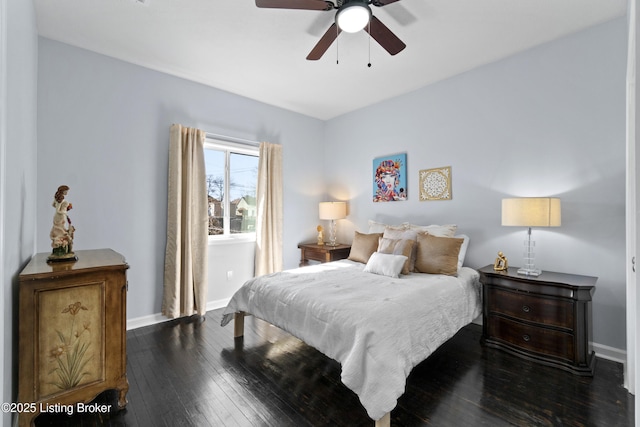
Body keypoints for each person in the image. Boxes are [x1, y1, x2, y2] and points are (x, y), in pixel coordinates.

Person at [49, 185, 75, 256]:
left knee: (60, 230)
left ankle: (62, 244)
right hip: (60, 217)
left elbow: (53, 205)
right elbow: (58, 210)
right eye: (66, 191)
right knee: (61, 231)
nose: (67, 192)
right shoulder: (61, 199)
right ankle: (60, 244)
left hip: (58, 216)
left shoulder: (57, 198)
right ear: (63, 191)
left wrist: (65, 208)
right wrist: (65, 212)